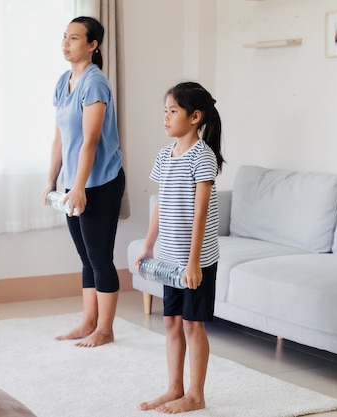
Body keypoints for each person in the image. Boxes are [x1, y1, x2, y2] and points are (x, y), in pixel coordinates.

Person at [135, 82, 224, 413]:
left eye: (173, 110)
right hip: (170, 259)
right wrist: (147, 246)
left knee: (191, 324)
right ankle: (175, 387)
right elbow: (160, 204)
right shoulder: (164, 154)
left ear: (194, 117)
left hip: (196, 261)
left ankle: (196, 395)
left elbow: (200, 214)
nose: (166, 117)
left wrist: (194, 263)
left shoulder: (203, 157)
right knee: (171, 321)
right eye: (165, 110)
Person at [43, 16, 125, 348]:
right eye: (65, 36)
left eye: (74, 38)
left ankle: (105, 329)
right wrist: (52, 182)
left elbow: (90, 140)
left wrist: (79, 187)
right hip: (73, 182)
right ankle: (88, 322)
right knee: (86, 257)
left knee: (100, 256)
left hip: (101, 182)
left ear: (92, 45)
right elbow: (60, 139)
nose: (66, 42)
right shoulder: (64, 81)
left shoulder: (95, 83)